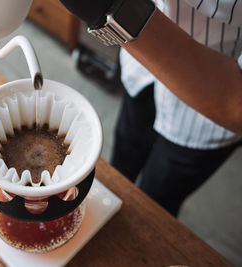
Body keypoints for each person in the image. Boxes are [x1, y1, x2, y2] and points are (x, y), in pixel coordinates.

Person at [60, 0, 242, 216]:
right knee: (121, 166)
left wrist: (108, 11)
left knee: (154, 204)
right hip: (139, 69)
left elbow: (237, 106)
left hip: (205, 110)